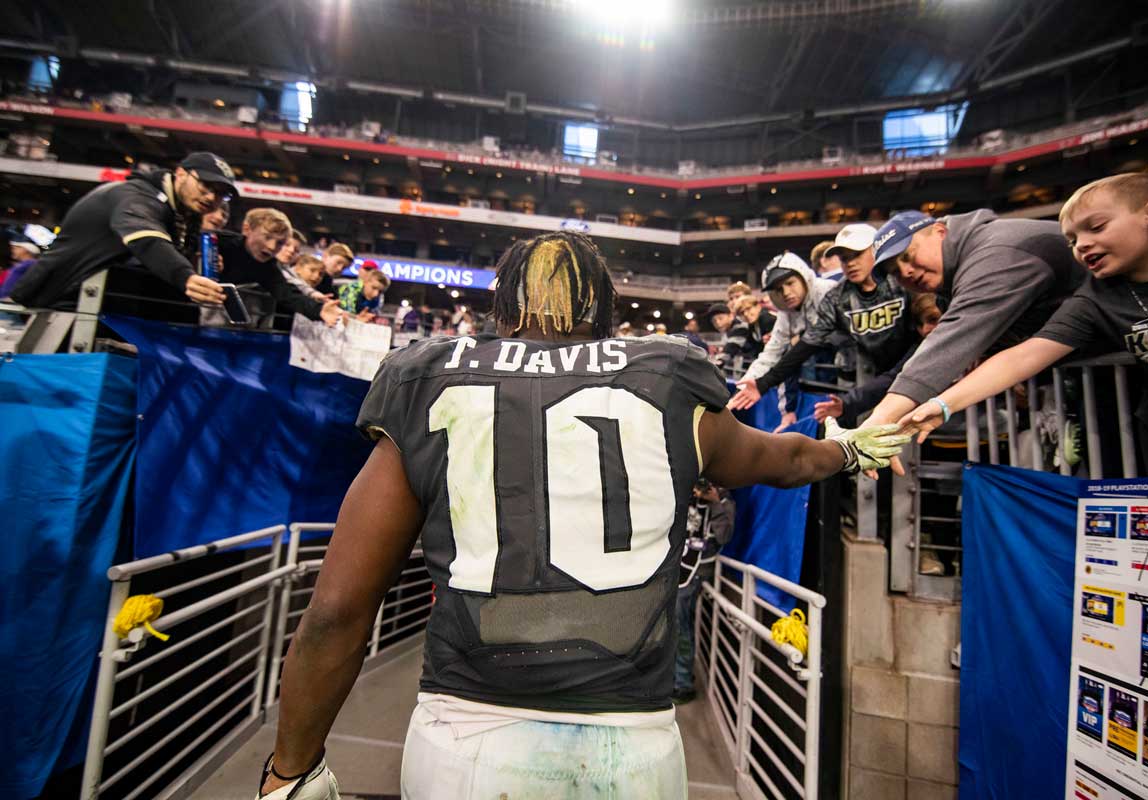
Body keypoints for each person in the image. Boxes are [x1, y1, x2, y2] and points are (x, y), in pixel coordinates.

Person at [256, 230, 910, 800]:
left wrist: (293, 769)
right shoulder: (668, 374)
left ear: (502, 304)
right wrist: (846, 449)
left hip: (464, 735)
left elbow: (339, 609)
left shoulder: (431, 373)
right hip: (632, 746)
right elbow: (784, 460)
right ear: (604, 310)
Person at [901, 173, 1148, 472]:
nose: (1082, 245)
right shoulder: (1094, 300)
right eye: (1072, 240)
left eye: (1096, 228)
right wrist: (944, 405)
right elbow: (1023, 357)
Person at [857, 207, 1086, 437]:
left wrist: (882, 416)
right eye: (895, 271)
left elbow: (951, 343)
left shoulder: (996, 251)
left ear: (940, 231)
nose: (905, 271)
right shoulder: (948, 289)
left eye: (907, 256)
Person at [729, 223, 916, 421]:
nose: (850, 263)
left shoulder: (900, 279)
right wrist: (760, 383)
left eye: (857, 255)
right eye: (844, 258)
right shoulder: (837, 297)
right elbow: (800, 347)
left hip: (910, 366)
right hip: (863, 376)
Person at [8, 151, 235, 310]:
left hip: (107, 310)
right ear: (181, 173)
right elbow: (146, 239)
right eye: (206, 185)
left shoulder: (185, 214)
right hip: (59, 305)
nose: (211, 197)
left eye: (221, 194)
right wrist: (186, 276)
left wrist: (193, 264)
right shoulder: (135, 195)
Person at [724, 251, 836, 409]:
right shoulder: (786, 314)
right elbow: (771, 354)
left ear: (804, 277)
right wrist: (741, 389)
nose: (786, 293)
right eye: (778, 289)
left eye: (790, 283)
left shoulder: (828, 291)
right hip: (836, 380)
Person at [815, 293, 941, 423]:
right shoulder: (920, 352)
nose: (927, 329)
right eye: (926, 322)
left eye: (935, 319)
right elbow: (893, 379)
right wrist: (847, 404)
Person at [216, 208, 344, 326]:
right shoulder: (216, 242)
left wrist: (319, 310)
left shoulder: (268, 266)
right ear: (247, 229)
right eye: (267, 237)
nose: (272, 247)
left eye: (280, 242)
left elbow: (287, 294)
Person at [674, 479, 734, 704]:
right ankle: (675, 677)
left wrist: (715, 503)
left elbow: (723, 536)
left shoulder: (724, 501)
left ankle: (682, 683)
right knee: (672, 623)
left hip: (698, 568)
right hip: (678, 566)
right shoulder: (686, 496)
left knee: (681, 623)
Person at [725, 293, 776, 362]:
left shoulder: (768, 320)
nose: (746, 314)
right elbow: (749, 346)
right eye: (742, 313)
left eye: (748, 309)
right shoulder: (752, 325)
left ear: (758, 306)